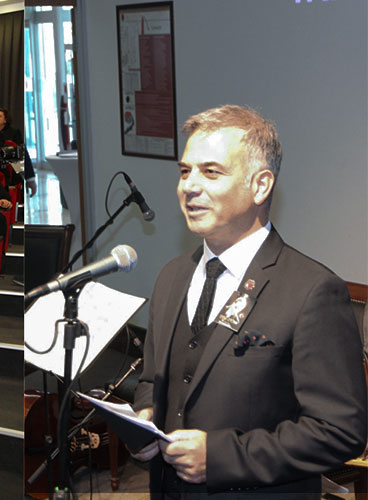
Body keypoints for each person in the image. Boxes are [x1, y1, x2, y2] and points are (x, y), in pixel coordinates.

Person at [129, 105, 367, 496]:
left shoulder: (313, 291)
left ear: (260, 185)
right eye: (185, 171)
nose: (189, 186)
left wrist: (222, 457)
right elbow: (152, 379)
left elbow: (340, 432)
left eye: (211, 172)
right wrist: (144, 418)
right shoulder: (171, 277)